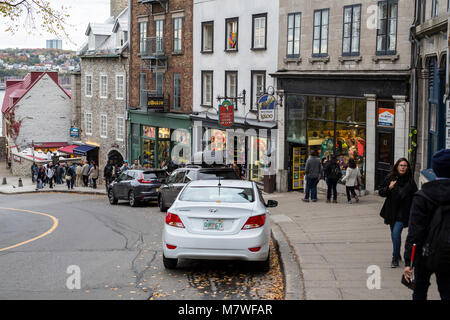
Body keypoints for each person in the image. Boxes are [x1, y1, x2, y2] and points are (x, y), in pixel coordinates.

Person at [403, 149, 450, 300]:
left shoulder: (422, 196)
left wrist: (409, 262)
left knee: (420, 291)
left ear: (434, 169)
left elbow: (415, 231)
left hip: (425, 253)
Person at [379, 158, 418, 268]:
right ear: (397, 166)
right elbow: (381, 192)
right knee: (394, 235)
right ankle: (397, 253)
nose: (403, 167)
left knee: (396, 234)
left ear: (407, 168)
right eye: (401, 165)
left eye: (405, 165)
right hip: (391, 212)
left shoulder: (410, 181)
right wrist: (389, 188)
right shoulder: (390, 178)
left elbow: (416, 196)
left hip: (403, 213)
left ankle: (394, 258)